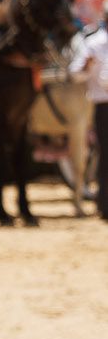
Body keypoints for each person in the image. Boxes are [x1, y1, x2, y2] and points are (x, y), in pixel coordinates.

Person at [73, 14, 108, 221]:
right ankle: (105, 204)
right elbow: (75, 73)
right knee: (106, 155)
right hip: (103, 105)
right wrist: (85, 67)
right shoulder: (93, 43)